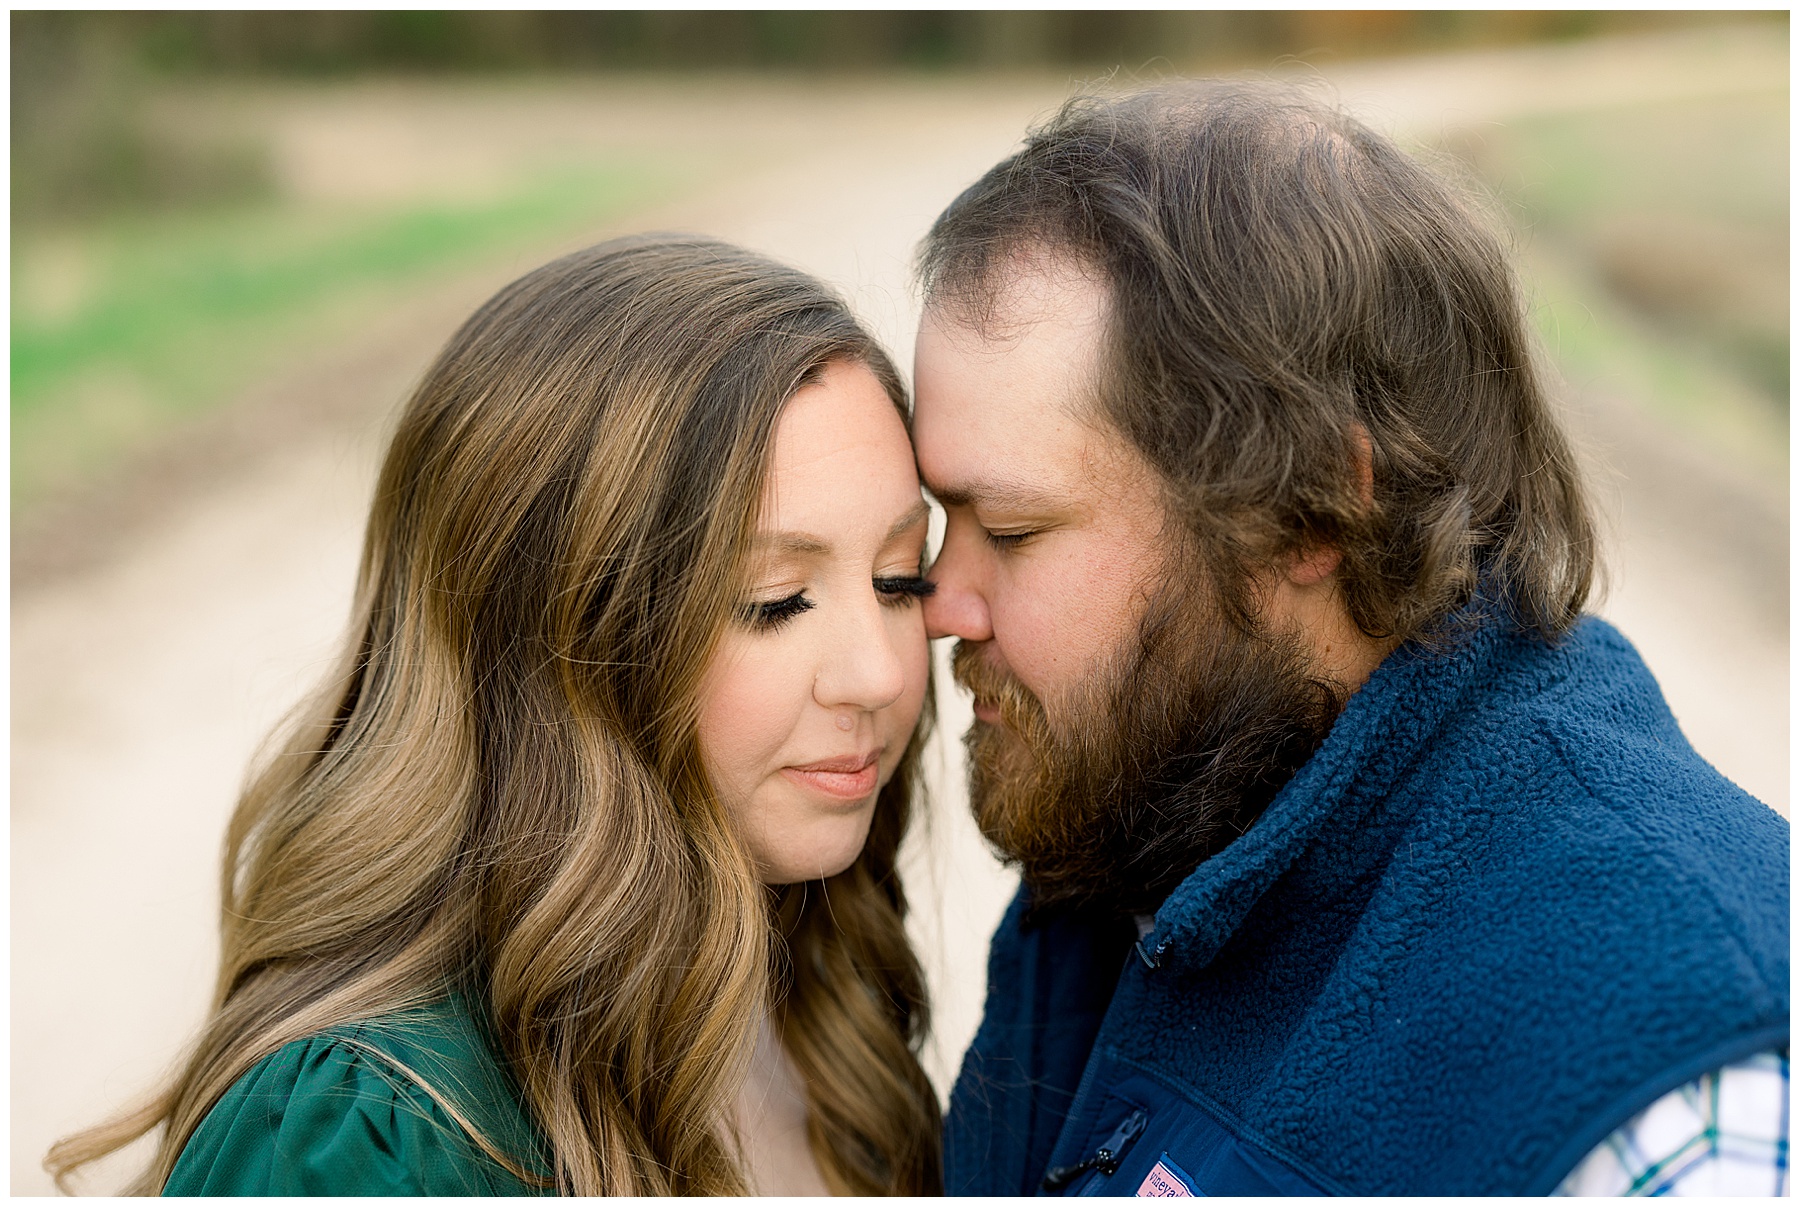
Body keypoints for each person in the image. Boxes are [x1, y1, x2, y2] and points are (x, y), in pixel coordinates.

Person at [913, 83, 1788, 1197]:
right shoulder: (1148, 811)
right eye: (941, 520)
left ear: (1310, 511)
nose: (943, 598)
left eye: (1014, 529)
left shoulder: (1681, 1099)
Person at [47, 235, 944, 1196]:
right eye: (775, 598)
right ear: (550, 643)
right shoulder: (360, 1138)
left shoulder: (819, 986)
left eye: (900, 578)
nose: (880, 672)